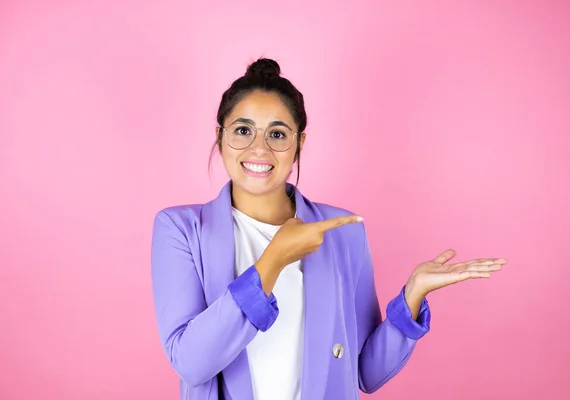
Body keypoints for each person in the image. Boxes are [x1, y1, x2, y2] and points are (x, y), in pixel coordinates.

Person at [150, 57, 506, 400]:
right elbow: (192, 364)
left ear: (299, 144)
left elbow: (367, 373)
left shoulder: (341, 231)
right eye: (243, 130)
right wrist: (273, 260)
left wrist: (411, 297)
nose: (259, 147)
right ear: (220, 136)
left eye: (277, 133)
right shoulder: (181, 229)